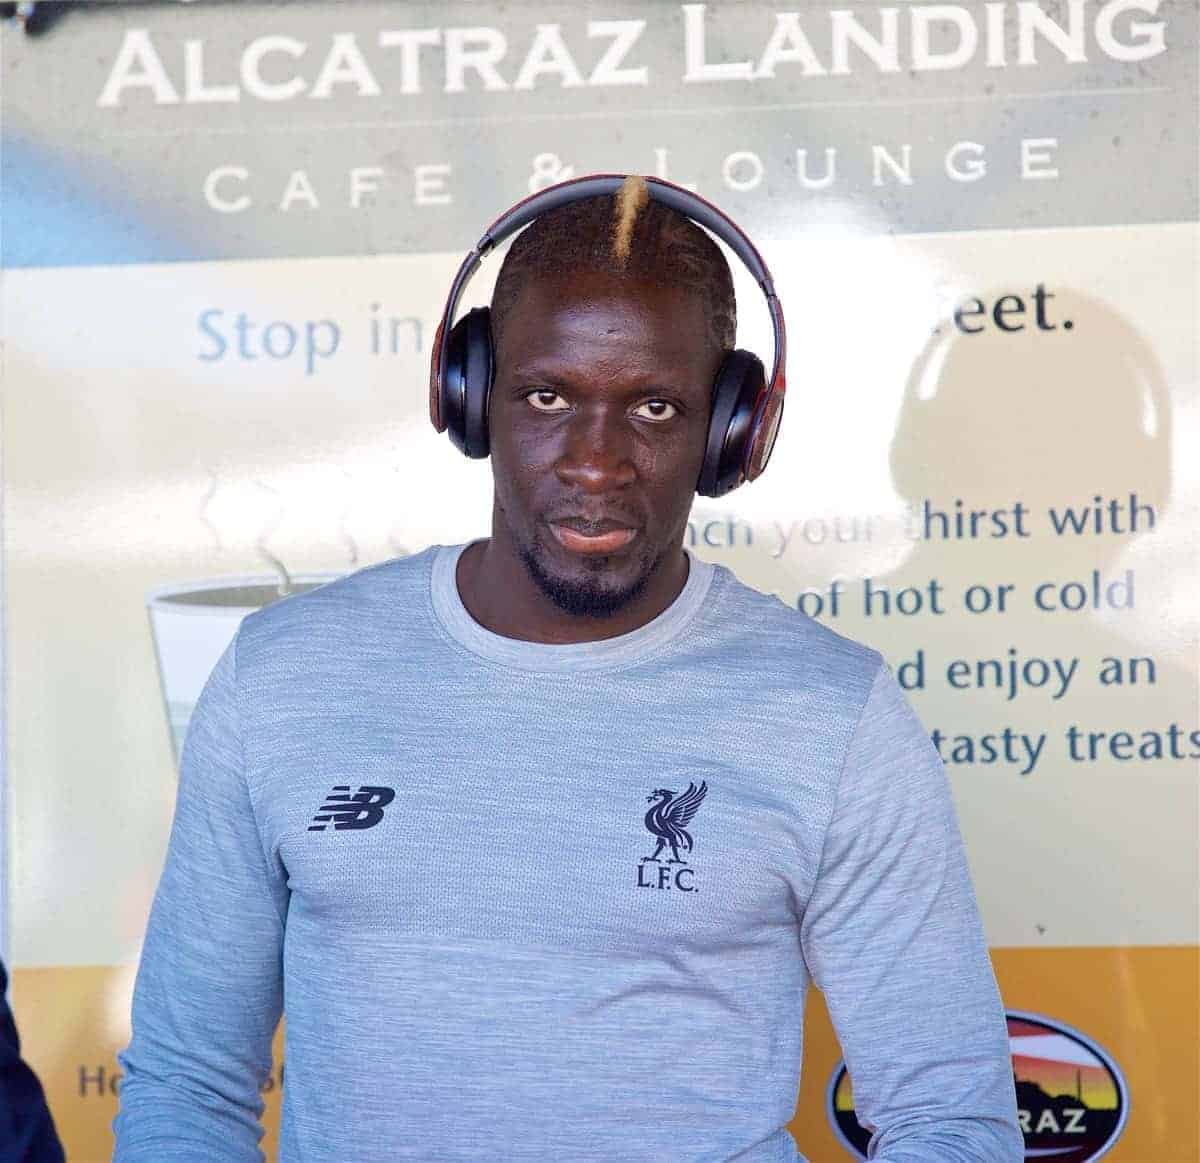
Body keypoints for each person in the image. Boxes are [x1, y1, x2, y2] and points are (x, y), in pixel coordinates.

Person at [113, 174, 1022, 1161]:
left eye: (658, 408)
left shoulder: (836, 715)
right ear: (469, 396)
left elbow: (948, 1117)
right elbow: (188, 1083)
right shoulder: (280, 676)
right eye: (548, 395)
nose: (596, 461)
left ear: (733, 432)